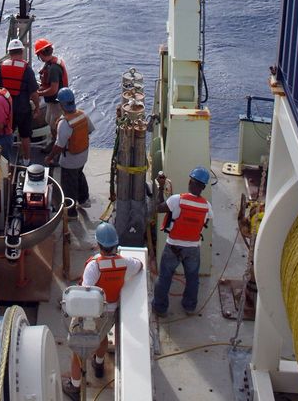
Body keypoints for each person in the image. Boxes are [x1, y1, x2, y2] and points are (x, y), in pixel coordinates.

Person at [63, 222, 142, 399]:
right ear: (115, 245)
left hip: (92, 313)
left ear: (99, 245)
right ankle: (98, 365)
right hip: (110, 313)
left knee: (77, 349)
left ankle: (74, 386)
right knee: (102, 337)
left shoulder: (94, 266)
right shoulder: (124, 263)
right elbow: (139, 265)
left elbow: (85, 294)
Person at [152, 165, 213, 316]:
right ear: (203, 187)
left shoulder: (176, 200)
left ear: (190, 182)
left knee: (165, 277)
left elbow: (158, 208)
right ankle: (189, 307)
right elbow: (206, 219)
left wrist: (161, 188)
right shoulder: (207, 207)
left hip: (173, 246)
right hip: (193, 248)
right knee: (192, 278)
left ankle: (160, 308)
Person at [44, 87, 94, 215]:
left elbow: (59, 146)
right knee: (79, 175)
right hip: (83, 154)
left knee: (68, 185)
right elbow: (89, 130)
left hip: (70, 159)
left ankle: (71, 213)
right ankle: (84, 200)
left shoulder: (64, 123)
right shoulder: (82, 114)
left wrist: (49, 157)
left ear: (61, 104)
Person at [0, 37, 39, 165]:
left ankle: (4, 161)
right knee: (25, 136)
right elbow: (34, 92)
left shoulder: (1, 68)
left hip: (7, 109)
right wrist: (36, 107)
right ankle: (26, 161)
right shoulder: (27, 69)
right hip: (23, 109)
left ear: (9, 52)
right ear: (22, 51)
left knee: (6, 135)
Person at [34, 37, 68, 144]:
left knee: (55, 124)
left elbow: (53, 90)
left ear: (40, 54)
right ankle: (54, 141)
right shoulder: (49, 64)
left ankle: (57, 145)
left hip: (57, 103)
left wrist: (39, 94)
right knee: (49, 120)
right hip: (51, 102)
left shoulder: (53, 68)